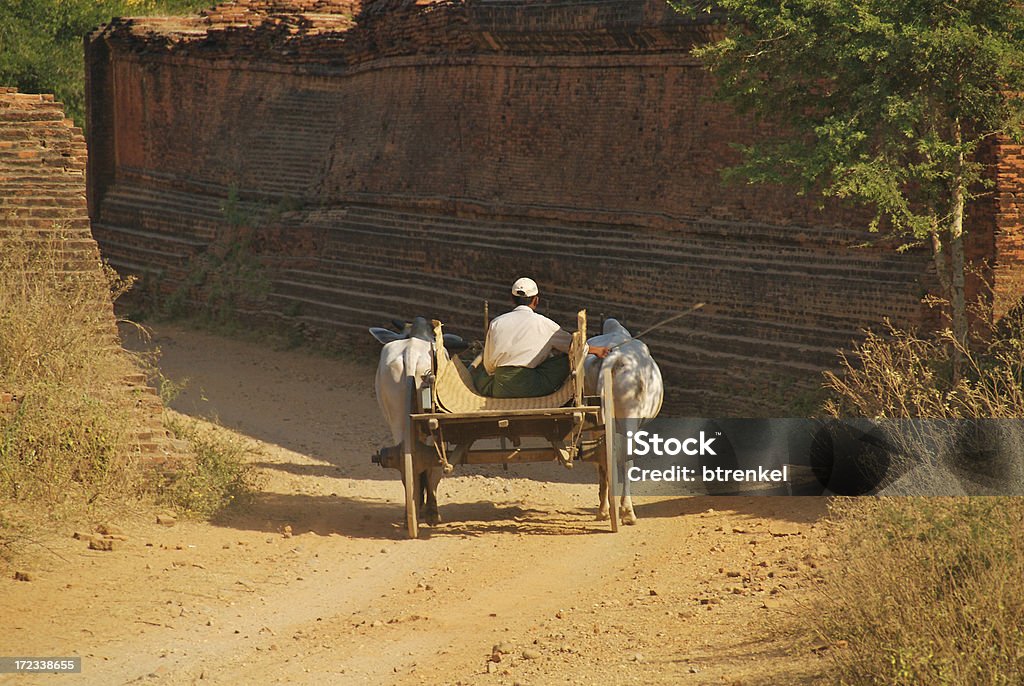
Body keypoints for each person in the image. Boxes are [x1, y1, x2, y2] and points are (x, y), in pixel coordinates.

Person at [472, 277, 610, 398]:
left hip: (500, 388)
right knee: (565, 359)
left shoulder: (496, 322)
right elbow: (574, 347)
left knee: (480, 374)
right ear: (536, 300)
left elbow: (489, 365)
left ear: (512, 299)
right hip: (531, 387)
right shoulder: (544, 323)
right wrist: (596, 350)